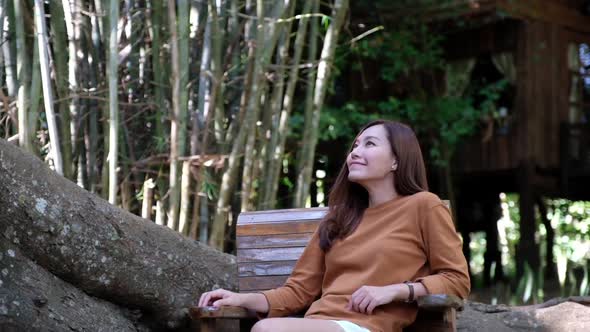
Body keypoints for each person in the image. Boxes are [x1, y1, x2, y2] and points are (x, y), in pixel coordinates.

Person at [198, 120, 470, 332]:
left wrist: (397, 290)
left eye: (369, 144)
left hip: (368, 327)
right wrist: (240, 299)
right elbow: (297, 292)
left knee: (267, 329)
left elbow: (456, 280)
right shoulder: (338, 219)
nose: (355, 153)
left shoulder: (423, 206)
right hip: (319, 323)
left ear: (396, 160)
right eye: (354, 146)